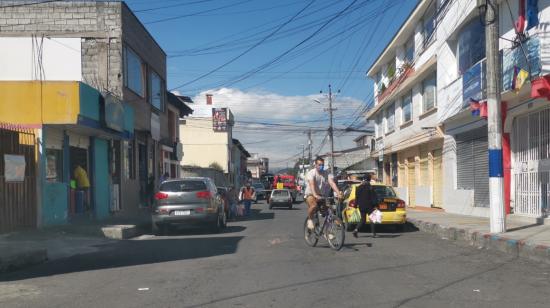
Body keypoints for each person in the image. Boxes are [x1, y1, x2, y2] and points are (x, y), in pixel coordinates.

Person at [305, 157, 342, 230]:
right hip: (311, 194)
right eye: (319, 164)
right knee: (313, 206)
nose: (321, 166)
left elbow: (332, 183)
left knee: (329, 210)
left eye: (322, 165)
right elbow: (312, 184)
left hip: (321, 195)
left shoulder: (326, 173)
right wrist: (315, 194)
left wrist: (338, 193)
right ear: (315, 165)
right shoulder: (311, 173)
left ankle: (328, 232)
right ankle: (309, 220)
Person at [353, 174, 377, 238]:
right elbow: (373, 197)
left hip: (361, 206)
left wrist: (355, 205)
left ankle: (356, 230)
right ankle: (373, 234)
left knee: (363, 220)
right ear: (369, 180)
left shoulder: (358, 188)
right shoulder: (370, 187)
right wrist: (375, 205)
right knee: (372, 219)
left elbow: (356, 198)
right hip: (369, 206)